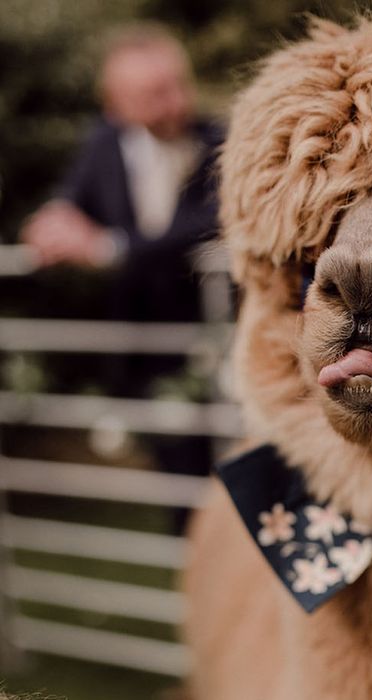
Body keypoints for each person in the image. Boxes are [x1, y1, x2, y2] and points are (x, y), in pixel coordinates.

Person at [21, 24, 223, 532]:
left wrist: (110, 248)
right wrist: (54, 219)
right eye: (154, 94)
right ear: (116, 104)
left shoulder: (220, 140)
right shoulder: (102, 143)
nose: (175, 101)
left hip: (213, 337)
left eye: (178, 84)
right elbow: (71, 198)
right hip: (141, 350)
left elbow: (209, 223)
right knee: (183, 488)